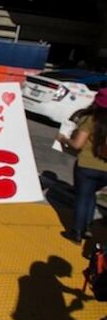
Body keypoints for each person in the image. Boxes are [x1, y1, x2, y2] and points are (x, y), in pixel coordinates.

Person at [57, 88, 107, 243]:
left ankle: (77, 232)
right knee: (91, 195)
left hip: (87, 166)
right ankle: (88, 228)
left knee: (82, 197)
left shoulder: (90, 119)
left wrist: (63, 139)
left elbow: (77, 145)